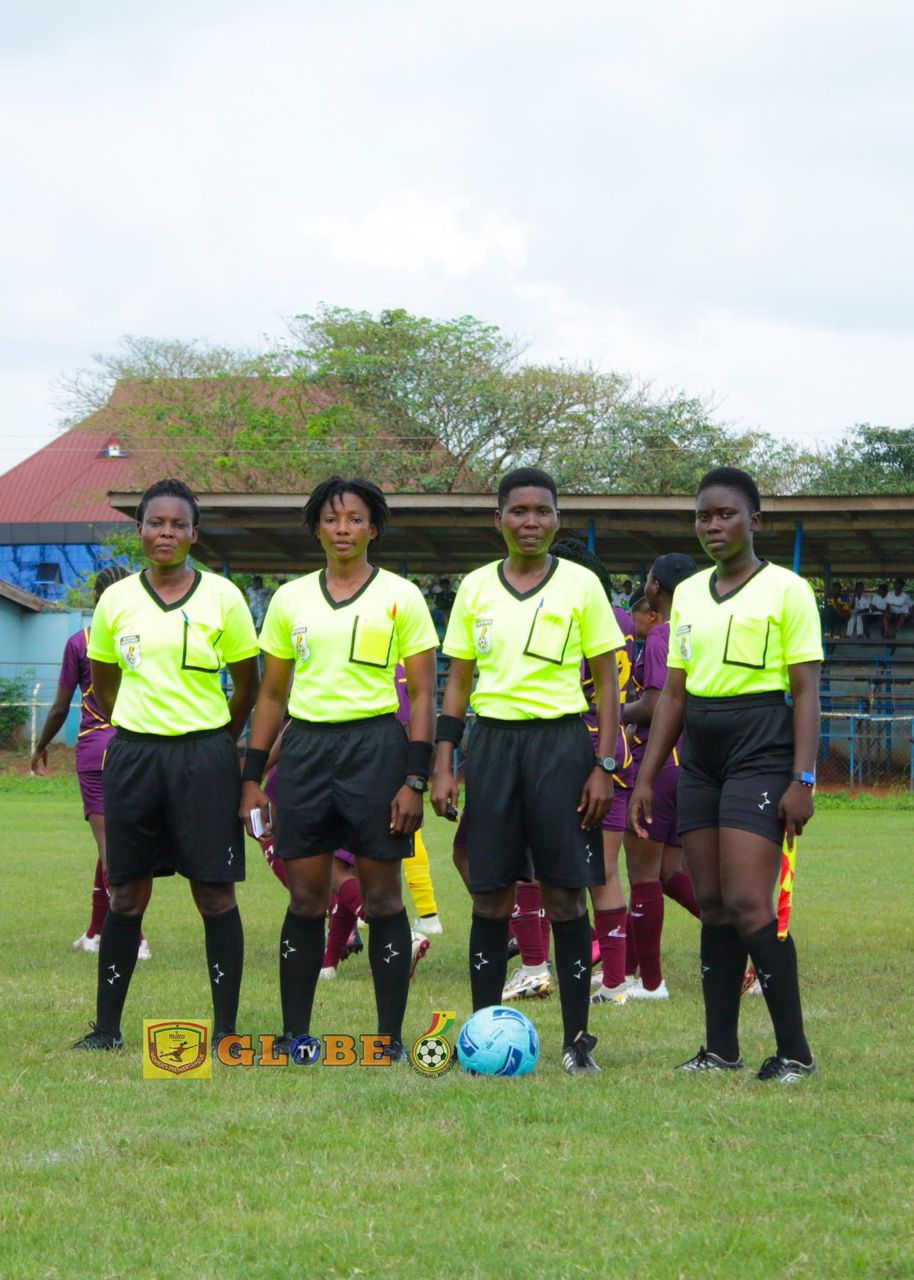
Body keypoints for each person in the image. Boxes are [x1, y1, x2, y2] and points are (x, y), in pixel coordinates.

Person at [629, 466, 822, 1083]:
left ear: (754, 521)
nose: (713, 526)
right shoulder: (687, 596)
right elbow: (674, 699)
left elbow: (807, 692)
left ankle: (795, 1053)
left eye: (726, 514)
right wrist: (644, 777)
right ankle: (720, 1050)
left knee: (745, 901)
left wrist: (804, 779)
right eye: (703, 516)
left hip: (760, 747)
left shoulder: (788, 591)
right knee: (711, 904)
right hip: (701, 757)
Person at [430, 467, 624, 1075]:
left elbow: (608, 681)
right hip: (491, 748)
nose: (531, 521)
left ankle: (577, 1043)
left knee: (566, 895)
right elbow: (457, 683)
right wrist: (444, 762)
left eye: (543, 511)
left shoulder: (582, 587)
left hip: (562, 746)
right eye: (519, 511)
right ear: (499, 519)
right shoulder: (475, 588)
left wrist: (605, 763)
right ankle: (483, 1036)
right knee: (490, 895)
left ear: (557, 519)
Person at [240, 477, 438, 1063]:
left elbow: (424, 694)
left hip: (376, 750)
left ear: (373, 527)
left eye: (355, 519)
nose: (343, 529)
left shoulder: (402, 596)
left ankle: (389, 1039)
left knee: (383, 900)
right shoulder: (288, 600)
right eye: (332, 519)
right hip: (304, 754)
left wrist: (414, 778)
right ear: (317, 528)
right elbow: (272, 695)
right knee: (305, 897)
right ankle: (294, 1034)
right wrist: (252, 776)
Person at [73, 478, 260, 1052]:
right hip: (132, 756)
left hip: (205, 758)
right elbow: (103, 685)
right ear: (141, 531)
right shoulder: (116, 600)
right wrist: (140, 725)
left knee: (215, 896)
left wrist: (215, 740)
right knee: (126, 895)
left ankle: (226, 1031)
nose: (167, 533)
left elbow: (248, 686)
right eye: (157, 523)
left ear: (194, 534)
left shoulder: (223, 597)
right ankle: (107, 1030)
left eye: (179, 525)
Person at [30, 566, 151, 960]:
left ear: (97, 598)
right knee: (117, 848)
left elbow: (61, 706)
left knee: (110, 848)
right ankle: (96, 931)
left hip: (97, 752)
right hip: (140, 751)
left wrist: (40, 745)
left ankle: (135, 939)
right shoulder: (142, 639)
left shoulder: (80, 642)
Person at [620, 553, 700, 1001]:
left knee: (643, 876)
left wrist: (606, 713)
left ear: (656, 589)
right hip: (687, 765)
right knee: (670, 873)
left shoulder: (660, 636)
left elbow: (654, 705)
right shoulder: (695, 632)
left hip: (656, 764)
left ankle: (649, 982)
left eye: (648, 576)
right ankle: (749, 939)